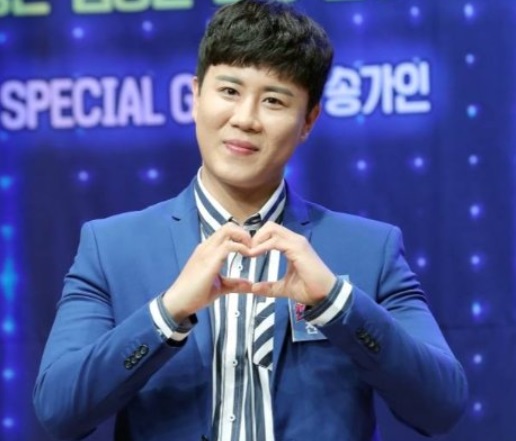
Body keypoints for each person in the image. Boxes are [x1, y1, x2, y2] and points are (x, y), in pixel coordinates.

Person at [33, 1, 468, 440]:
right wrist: (168, 312)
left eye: (274, 100)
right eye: (229, 91)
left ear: (308, 121)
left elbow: (441, 407)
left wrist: (337, 304)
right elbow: (58, 411)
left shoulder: (370, 250)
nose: (245, 119)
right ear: (196, 96)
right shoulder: (112, 248)